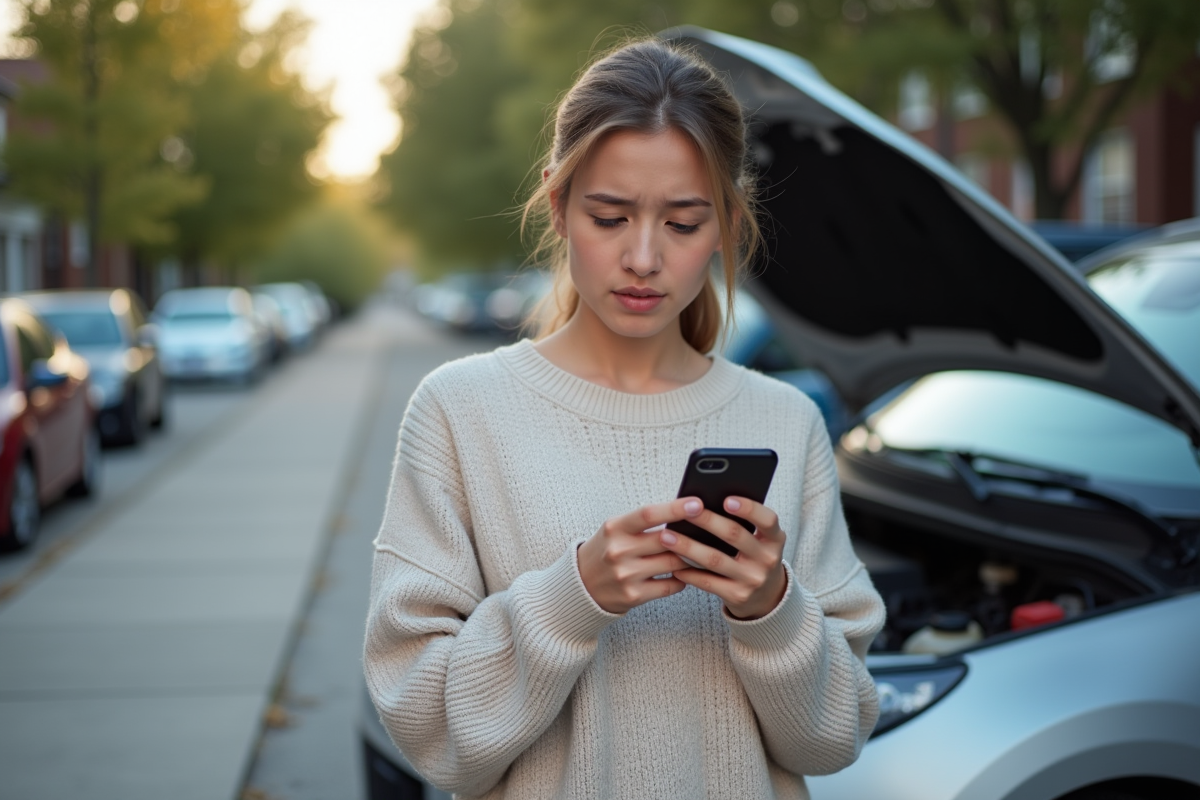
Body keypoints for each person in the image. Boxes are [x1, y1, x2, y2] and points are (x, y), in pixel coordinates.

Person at [364, 37, 885, 800]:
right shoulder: (459, 411)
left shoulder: (787, 421)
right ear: (557, 204)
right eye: (610, 216)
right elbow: (430, 731)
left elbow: (835, 737)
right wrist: (573, 596)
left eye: (682, 224)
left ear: (727, 223)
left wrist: (770, 606)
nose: (644, 257)